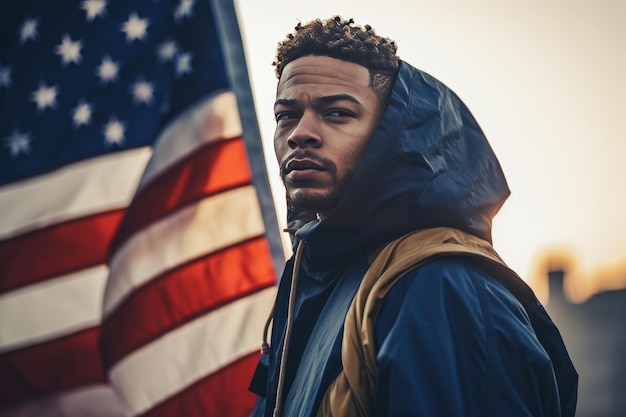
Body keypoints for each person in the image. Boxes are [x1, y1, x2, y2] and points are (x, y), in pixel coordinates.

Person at [249, 16, 577, 417]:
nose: (301, 132)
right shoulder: (318, 277)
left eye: (336, 113)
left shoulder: (443, 289)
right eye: (286, 115)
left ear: (394, 132)